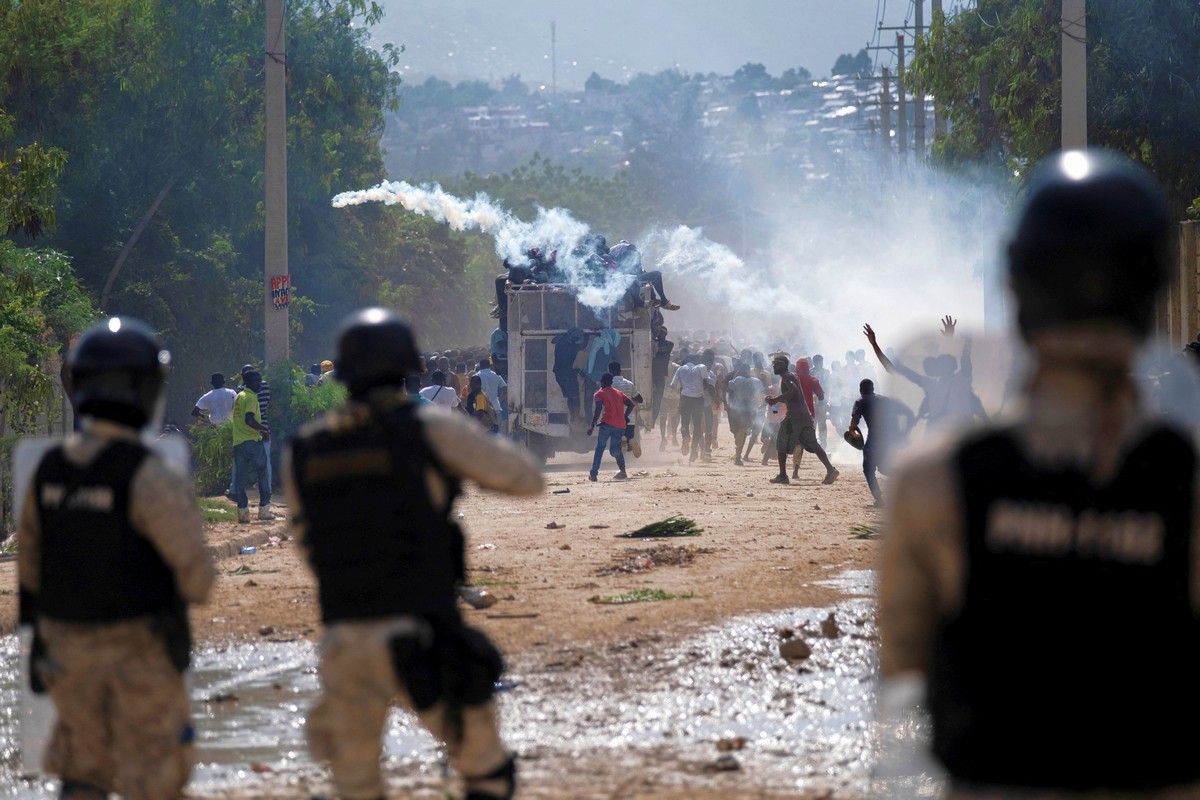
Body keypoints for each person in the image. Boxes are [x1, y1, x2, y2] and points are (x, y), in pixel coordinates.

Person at [879, 149, 1200, 799]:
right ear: (1151, 289)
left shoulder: (932, 483)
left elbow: (902, 695)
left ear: (1019, 286)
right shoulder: (1187, 482)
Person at [284, 307, 543, 800]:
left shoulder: (306, 446)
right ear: (408, 366)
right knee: (486, 774)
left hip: (343, 637)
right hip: (423, 632)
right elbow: (525, 479)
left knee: (356, 785)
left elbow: (306, 543)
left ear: (342, 373)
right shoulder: (426, 427)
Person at [18, 316, 215, 800]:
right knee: (157, 779)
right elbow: (198, 581)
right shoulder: (151, 474)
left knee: (82, 776)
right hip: (140, 655)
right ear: (145, 388)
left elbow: (30, 570)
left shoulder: (48, 469)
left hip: (66, 653)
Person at [765, 354, 838, 485]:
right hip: (805, 415)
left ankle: (782, 475)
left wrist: (775, 400)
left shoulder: (787, 376)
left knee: (781, 441)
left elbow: (793, 391)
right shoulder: (790, 376)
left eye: (775, 364)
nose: (773, 366)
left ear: (782, 365)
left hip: (794, 416)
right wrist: (775, 400)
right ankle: (830, 470)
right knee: (814, 445)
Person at [847, 378, 913, 507]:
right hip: (890, 440)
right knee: (883, 468)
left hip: (875, 439)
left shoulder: (860, 401)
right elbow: (908, 413)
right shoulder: (885, 400)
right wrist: (904, 433)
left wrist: (852, 430)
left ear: (861, 390)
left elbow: (855, 421)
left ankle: (879, 500)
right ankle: (908, 482)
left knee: (868, 470)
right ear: (873, 389)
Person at [232, 368, 272, 522]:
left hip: (238, 443)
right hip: (253, 442)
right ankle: (264, 511)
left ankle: (242, 513)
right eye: (256, 381)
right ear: (248, 382)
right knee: (262, 474)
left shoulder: (238, 397)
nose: (259, 384)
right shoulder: (251, 397)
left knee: (240, 479)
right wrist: (264, 429)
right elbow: (249, 420)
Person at [587, 372, 634, 481]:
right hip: (620, 425)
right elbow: (631, 404)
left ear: (602, 382)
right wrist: (624, 416)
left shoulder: (599, 393)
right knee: (614, 450)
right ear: (611, 382)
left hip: (606, 424)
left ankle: (593, 474)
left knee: (600, 448)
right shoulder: (619, 393)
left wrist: (592, 425)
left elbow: (598, 409)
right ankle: (623, 471)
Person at [670, 353, 712, 463]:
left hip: (685, 399)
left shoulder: (680, 369)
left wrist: (683, 387)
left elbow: (673, 385)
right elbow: (706, 381)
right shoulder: (701, 367)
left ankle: (686, 436)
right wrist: (701, 388)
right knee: (697, 425)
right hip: (698, 399)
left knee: (685, 423)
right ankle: (694, 450)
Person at [724, 366, 766, 465]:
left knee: (736, 431)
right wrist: (761, 405)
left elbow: (729, 388)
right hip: (749, 411)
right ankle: (738, 456)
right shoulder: (756, 381)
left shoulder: (738, 379)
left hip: (736, 410)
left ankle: (738, 455)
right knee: (743, 432)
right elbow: (765, 391)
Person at [792, 357, 826, 478]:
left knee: (794, 441)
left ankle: (789, 471)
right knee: (804, 442)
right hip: (808, 414)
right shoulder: (813, 380)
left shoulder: (792, 379)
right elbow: (821, 396)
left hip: (793, 413)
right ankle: (795, 470)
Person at [607, 359, 643, 458]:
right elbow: (640, 399)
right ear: (620, 370)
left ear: (610, 371)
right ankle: (630, 440)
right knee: (630, 439)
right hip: (629, 419)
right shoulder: (629, 384)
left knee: (618, 444)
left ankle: (623, 440)